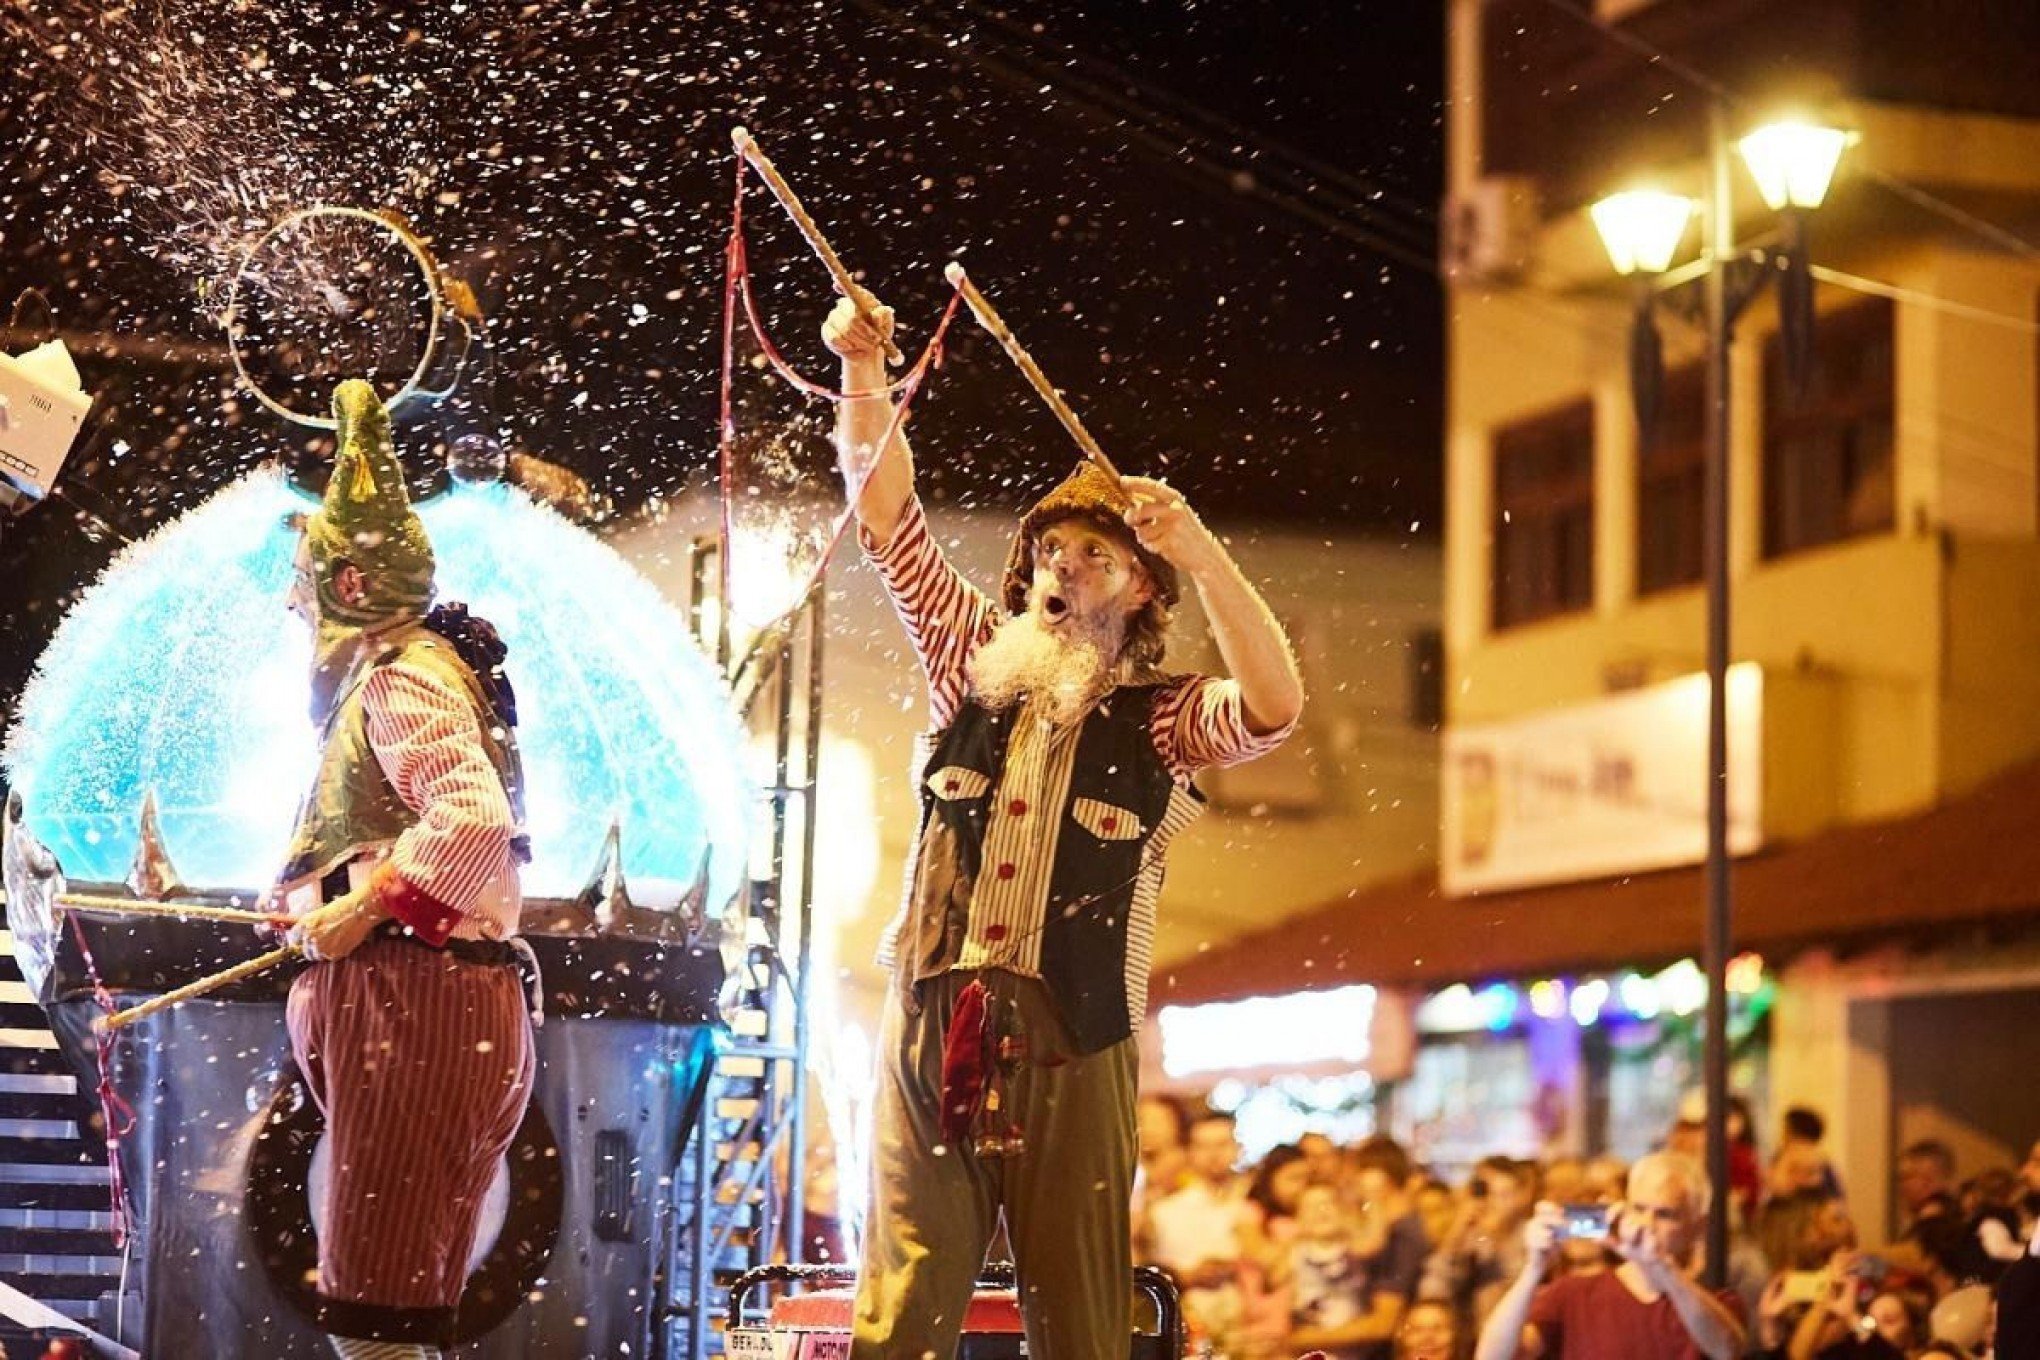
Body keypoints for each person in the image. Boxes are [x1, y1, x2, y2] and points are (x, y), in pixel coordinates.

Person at [824, 295, 1304, 1360]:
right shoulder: (970, 666)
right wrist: (865, 373)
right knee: (896, 1319)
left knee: (1081, 1326)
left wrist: (1210, 556)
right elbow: (887, 518)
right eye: (1051, 548)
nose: (1061, 566)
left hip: (1075, 1040)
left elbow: (1275, 708)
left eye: (1094, 553)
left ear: (1140, 589)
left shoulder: (1164, 719)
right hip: (930, 1020)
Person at [278, 379, 536, 1360]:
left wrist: (365, 909)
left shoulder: (398, 676)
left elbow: (472, 821)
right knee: (401, 1317)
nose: (291, 599)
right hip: (429, 1011)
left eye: (305, 578)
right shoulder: (422, 675)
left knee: (377, 1328)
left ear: (350, 586)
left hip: (411, 1009)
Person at [1473, 1152, 1746, 1360]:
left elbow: (1726, 1350)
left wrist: (1661, 1266)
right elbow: (1491, 1355)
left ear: (1698, 1225)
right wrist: (1533, 1269)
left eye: (1665, 1214)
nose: (1647, 1224)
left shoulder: (1718, 1302)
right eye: (1639, 1209)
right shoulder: (1574, 1294)